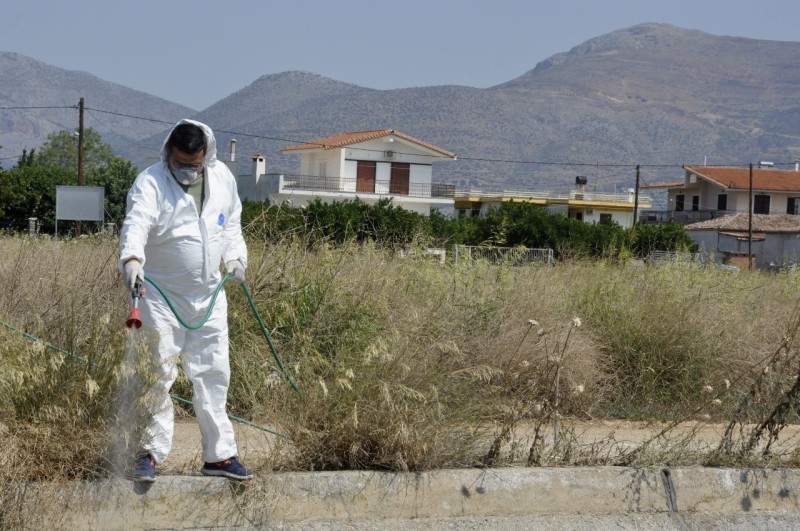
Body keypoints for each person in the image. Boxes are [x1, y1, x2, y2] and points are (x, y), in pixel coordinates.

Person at [119, 119, 252, 482]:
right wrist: (132, 260)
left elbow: (231, 224)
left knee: (213, 373)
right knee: (157, 372)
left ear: (205, 156)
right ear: (168, 154)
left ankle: (219, 457)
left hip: (209, 296)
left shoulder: (222, 177)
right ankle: (147, 454)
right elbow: (136, 224)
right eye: (180, 163)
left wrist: (237, 257)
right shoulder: (151, 182)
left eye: (194, 164)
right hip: (160, 295)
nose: (187, 171)